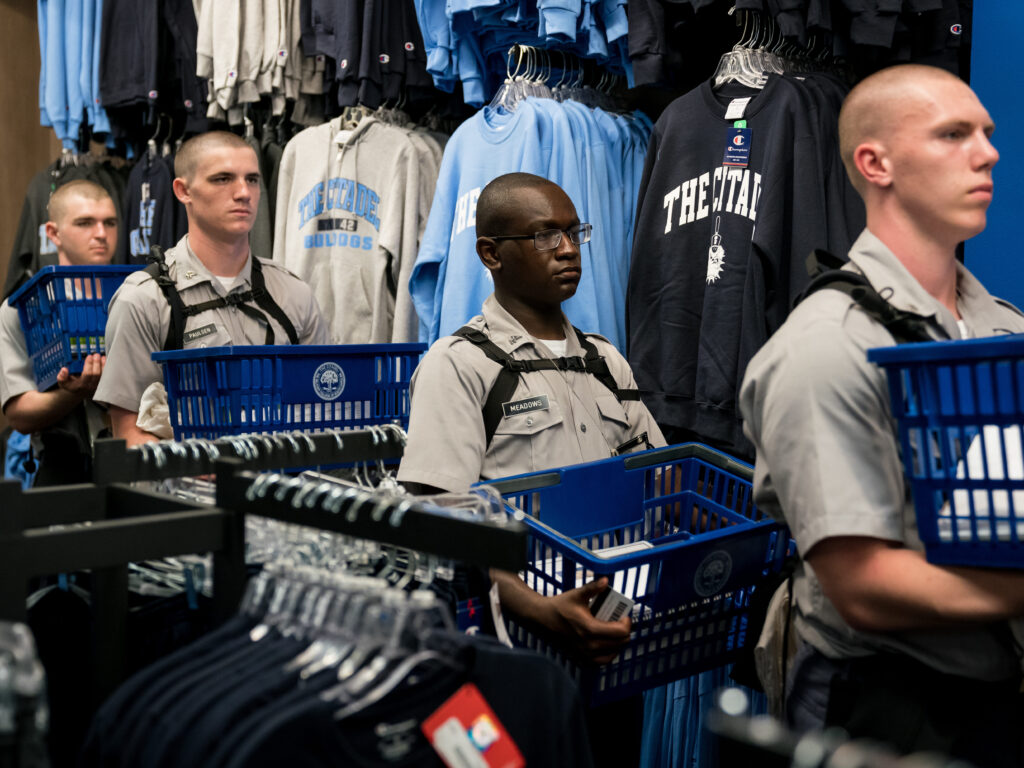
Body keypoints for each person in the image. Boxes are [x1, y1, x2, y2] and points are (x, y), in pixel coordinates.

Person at [739, 64, 1024, 766]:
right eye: (954, 134)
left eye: (985, 134)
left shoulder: (1000, 328)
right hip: (884, 706)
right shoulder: (826, 347)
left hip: (995, 696)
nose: (987, 153)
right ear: (876, 162)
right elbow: (864, 587)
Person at [398, 172, 666, 767]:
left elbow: (658, 480)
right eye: (544, 235)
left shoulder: (605, 361)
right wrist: (541, 610)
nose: (568, 249)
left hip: (615, 640)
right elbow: (441, 523)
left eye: (573, 233)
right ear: (491, 253)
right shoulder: (460, 366)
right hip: (518, 654)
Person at [94, 131, 329, 446]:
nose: (243, 192)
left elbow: (325, 410)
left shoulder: (293, 293)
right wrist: (205, 468)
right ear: (183, 191)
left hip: (284, 489)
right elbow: (129, 435)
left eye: (253, 180)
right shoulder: (143, 300)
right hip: (188, 490)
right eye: (223, 179)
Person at [0, 180, 119, 485]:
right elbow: (18, 414)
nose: (101, 234)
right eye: (85, 223)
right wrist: (71, 392)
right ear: (53, 233)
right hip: (61, 469)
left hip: (131, 460)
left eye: (110, 222)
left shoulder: (138, 296)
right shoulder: (23, 309)